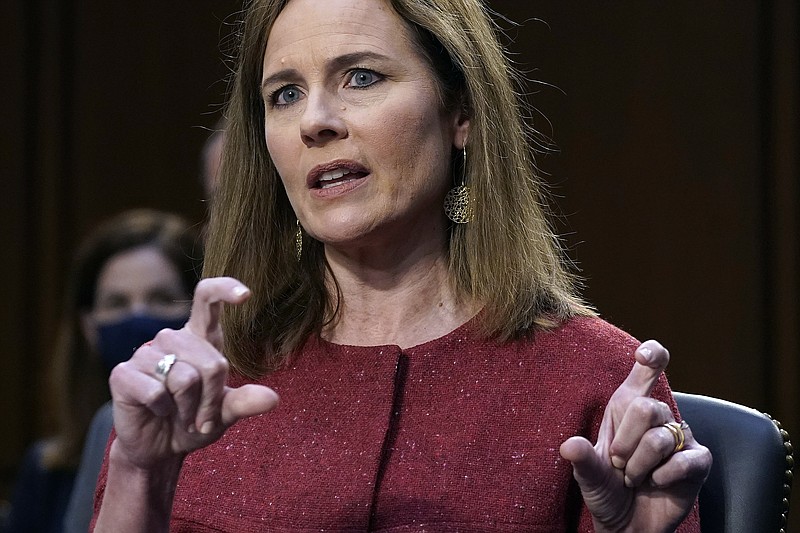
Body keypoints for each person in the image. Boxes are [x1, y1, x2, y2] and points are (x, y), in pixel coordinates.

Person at [92, 0, 712, 531]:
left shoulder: (596, 380)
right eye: (285, 94)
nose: (314, 122)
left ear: (460, 114)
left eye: (360, 78)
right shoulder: (205, 378)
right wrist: (138, 473)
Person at [2, 209, 202, 533]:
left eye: (161, 298)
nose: (138, 318)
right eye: (117, 304)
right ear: (89, 326)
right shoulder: (46, 467)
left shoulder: (220, 448)